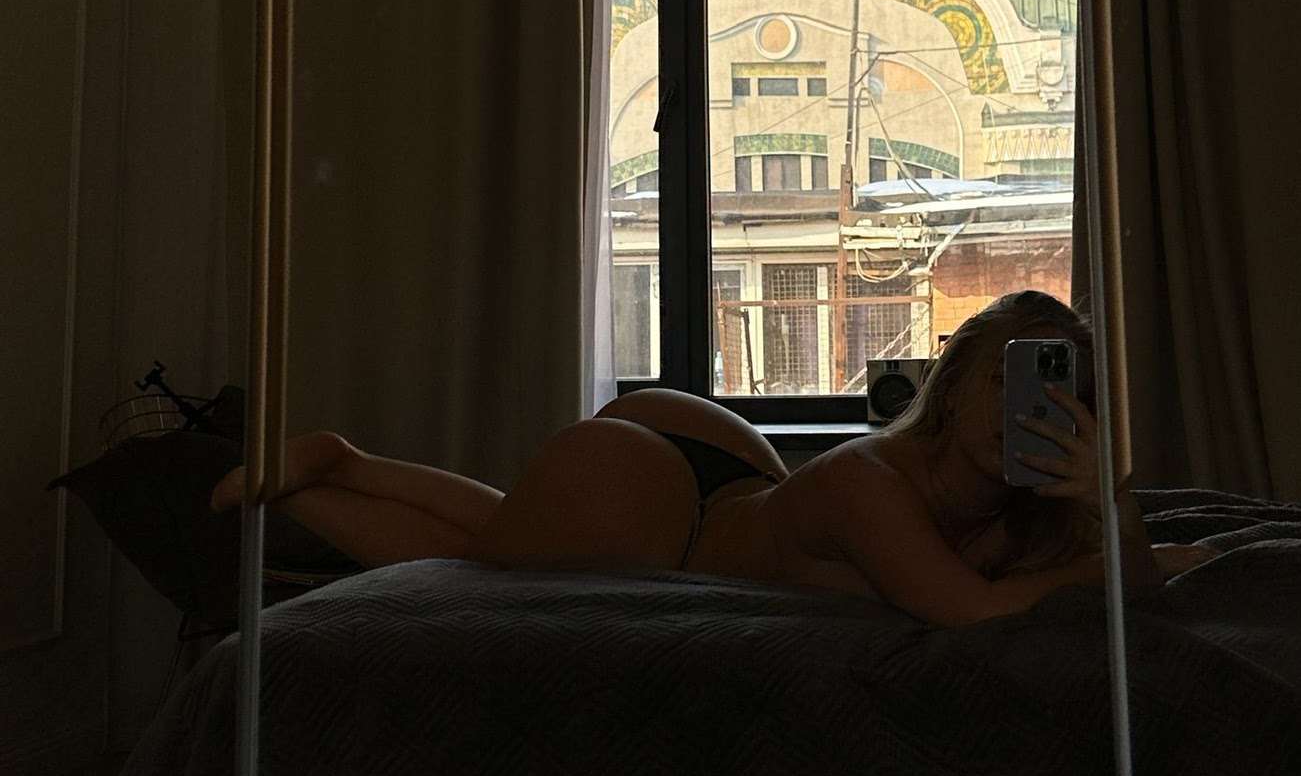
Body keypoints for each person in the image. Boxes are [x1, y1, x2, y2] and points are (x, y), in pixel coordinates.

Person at [211, 289, 1213, 628]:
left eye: (1059, 391)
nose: (1032, 411)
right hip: (671, 521)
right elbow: (972, 612)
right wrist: (1115, 539)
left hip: (730, 469)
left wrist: (1109, 502)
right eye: (1008, 381)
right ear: (952, 392)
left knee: (505, 523)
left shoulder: (1027, 503)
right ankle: (319, 483)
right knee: (477, 562)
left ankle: (348, 457)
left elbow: (1137, 574)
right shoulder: (872, 486)